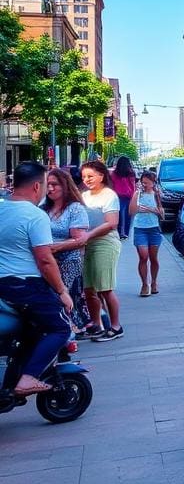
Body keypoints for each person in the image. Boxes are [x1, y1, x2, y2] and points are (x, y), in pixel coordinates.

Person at [0, 161, 73, 396]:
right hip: (26, 286)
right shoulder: (35, 215)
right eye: (45, 184)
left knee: (31, 331)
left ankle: (13, 379)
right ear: (36, 186)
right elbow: (45, 260)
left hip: (4, 286)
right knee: (61, 328)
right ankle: (28, 379)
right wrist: (62, 291)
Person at [80, 160, 124, 340]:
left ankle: (115, 326)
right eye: (84, 177)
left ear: (102, 176)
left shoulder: (109, 195)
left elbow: (111, 223)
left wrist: (88, 235)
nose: (87, 180)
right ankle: (96, 324)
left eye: (90, 176)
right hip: (87, 244)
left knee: (105, 288)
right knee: (89, 289)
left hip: (105, 243)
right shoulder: (83, 196)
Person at [43, 168, 91, 332]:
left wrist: (56, 247)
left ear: (65, 185)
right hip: (47, 261)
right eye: (47, 184)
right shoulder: (43, 208)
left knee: (63, 299)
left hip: (69, 261)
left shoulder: (75, 209)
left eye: (54, 184)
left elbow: (79, 240)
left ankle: (68, 334)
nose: (50, 188)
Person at [131, 171, 165, 295]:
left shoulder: (156, 194)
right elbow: (132, 211)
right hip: (140, 228)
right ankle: (145, 284)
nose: (144, 185)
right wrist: (136, 194)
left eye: (147, 183)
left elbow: (161, 213)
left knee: (153, 258)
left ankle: (154, 282)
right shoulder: (138, 194)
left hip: (154, 228)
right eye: (142, 182)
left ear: (153, 183)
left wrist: (151, 209)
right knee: (143, 256)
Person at [110, 156, 137, 240]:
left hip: (117, 196)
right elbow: (133, 185)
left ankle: (118, 232)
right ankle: (125, 233)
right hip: (128, 196)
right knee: (128, 215)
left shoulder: (114, 173)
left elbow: (112, 184)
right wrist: (134, 196)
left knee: (119, 214)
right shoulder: (131, 173)